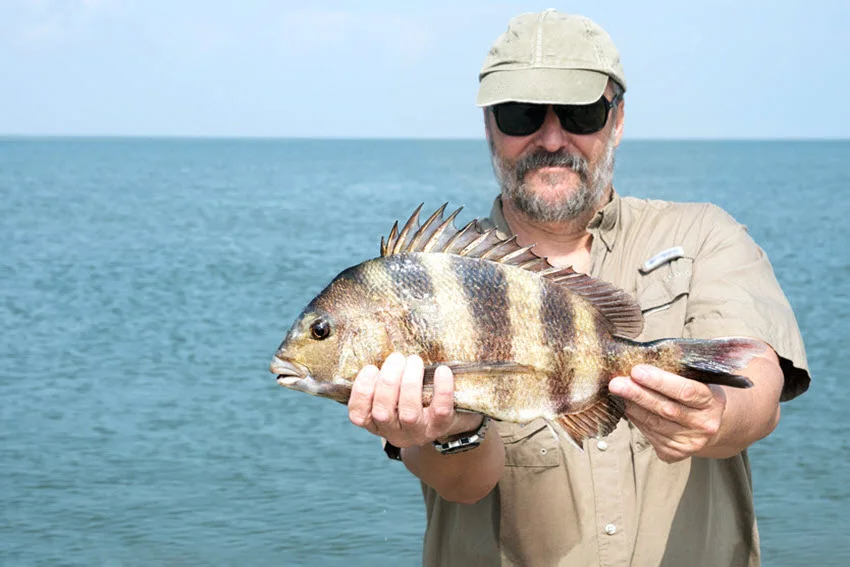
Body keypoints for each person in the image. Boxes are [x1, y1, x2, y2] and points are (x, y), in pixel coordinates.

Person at [347, 9, 810, 567]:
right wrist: (455, 427)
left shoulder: (704, 234)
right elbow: (463, 485)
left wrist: (715, 413)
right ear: (490, 124)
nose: (550, 137)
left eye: (579, 112)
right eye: (520, 115)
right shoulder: (430, 281)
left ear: (616, 120)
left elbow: (756, 381)